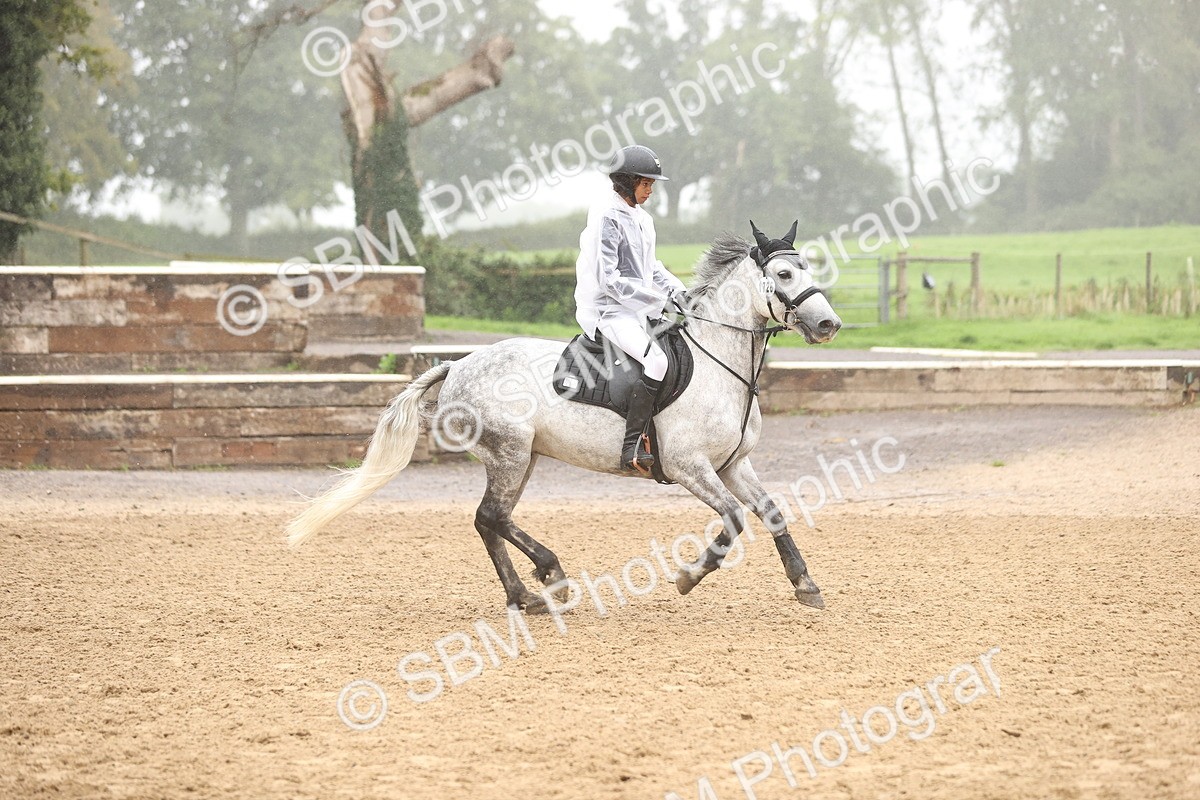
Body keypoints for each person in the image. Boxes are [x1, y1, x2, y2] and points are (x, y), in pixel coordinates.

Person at [574, 144, 687, 474]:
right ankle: (632, 444)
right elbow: (609, 280)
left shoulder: (642, 219)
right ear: (626, 181)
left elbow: (651, 268)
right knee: (657, 360)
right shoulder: (607, 218)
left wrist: (681, 292)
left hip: (638, 308)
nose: (650, 190)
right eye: (646, 183)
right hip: (610, 311)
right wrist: (660, 302)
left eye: (651, 184)